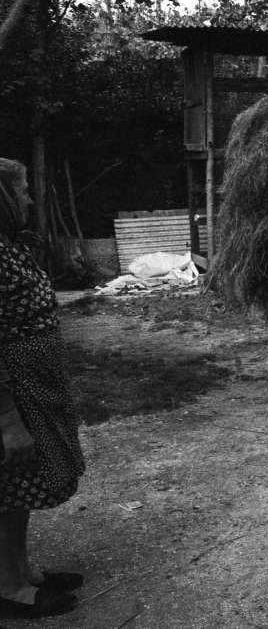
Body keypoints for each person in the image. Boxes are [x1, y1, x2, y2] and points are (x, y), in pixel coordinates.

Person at [0, 158, 85, 618]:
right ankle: (8, 587)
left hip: (35, 384)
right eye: (24, 191)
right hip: (14, 392)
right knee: (9, 485)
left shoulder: (9, 245)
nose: (31, 199)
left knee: (21, 487)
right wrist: (8, 420)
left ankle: (22, 570)